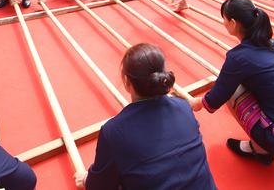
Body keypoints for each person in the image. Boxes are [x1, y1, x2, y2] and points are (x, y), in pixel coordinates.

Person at [189, 0, 274, 164]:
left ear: (232, 22)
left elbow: (216, 98)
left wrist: (196, 103)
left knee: (232, 90)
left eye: (224, 19)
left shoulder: (238, 57)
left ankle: (260, 149)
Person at [75, 44, 217, 190]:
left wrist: (86, 179)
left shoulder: (114, 132)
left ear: (127, 82)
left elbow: (100, 185)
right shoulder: (184, 107)